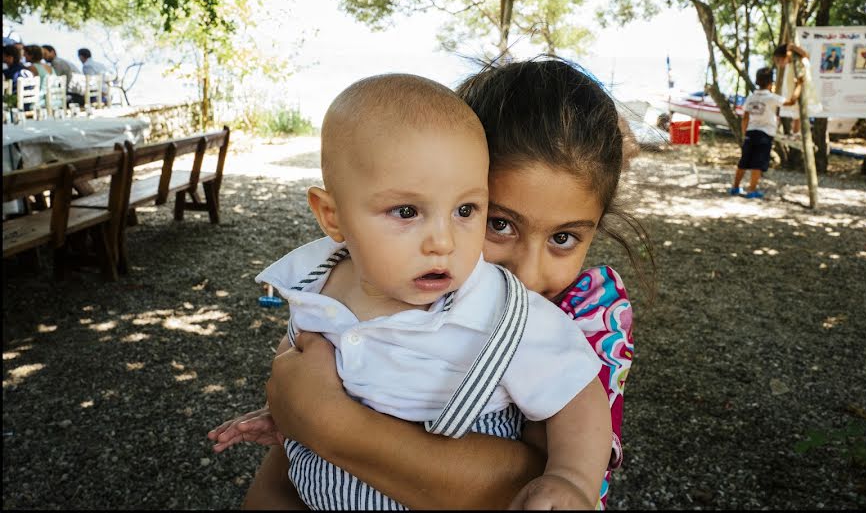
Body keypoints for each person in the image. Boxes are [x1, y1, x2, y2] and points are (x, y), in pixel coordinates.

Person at [209, 58, 652, 510]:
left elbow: (547, 460)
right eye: (498, 223)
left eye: (563, 238)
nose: (527, 273)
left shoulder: (538, 314)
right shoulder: (361, 276)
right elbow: (308, 394)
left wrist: (324, 421)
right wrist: (288, 415)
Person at [729, 67, 800, 199]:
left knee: (744, 161)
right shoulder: (772, 98)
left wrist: (745, 133)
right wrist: (799, 85)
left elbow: (745, 117)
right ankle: (752, 189)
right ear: (770, 83)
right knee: (757, 163)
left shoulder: (751, 97)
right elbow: (791, 102)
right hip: (765, 134)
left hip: (750, 133)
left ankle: (735, 187)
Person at [773, 42, 823, 135]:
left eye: (779, 60)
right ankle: (796, 133)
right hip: (795, 93)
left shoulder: (800, 61)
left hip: (801, 92)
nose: (779, 64)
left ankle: (797, 133)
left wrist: (791, 47)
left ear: (787, 54)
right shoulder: (791, 65)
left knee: (799, 114)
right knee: (796, 115)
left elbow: (805, 54)